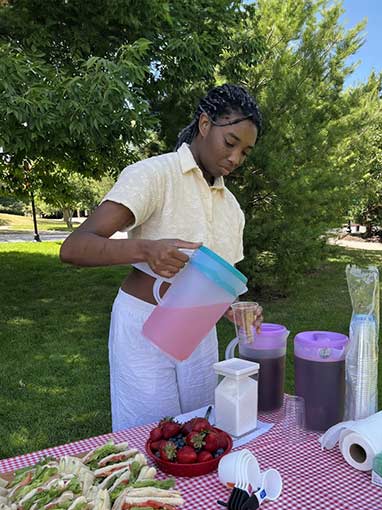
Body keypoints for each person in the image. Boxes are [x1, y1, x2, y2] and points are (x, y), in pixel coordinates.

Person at [60, 83, 262, 431]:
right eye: (230, 143)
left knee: (200, 435)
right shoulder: (155, 175)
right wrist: (145, 249)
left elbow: (218, 281)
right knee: (149, 438)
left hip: (198, 333)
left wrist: (234, 309)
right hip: (143, 329)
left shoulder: (232, 208)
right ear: (204, 124)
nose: (235, 158)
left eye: (245, 152)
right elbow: (75, 247)